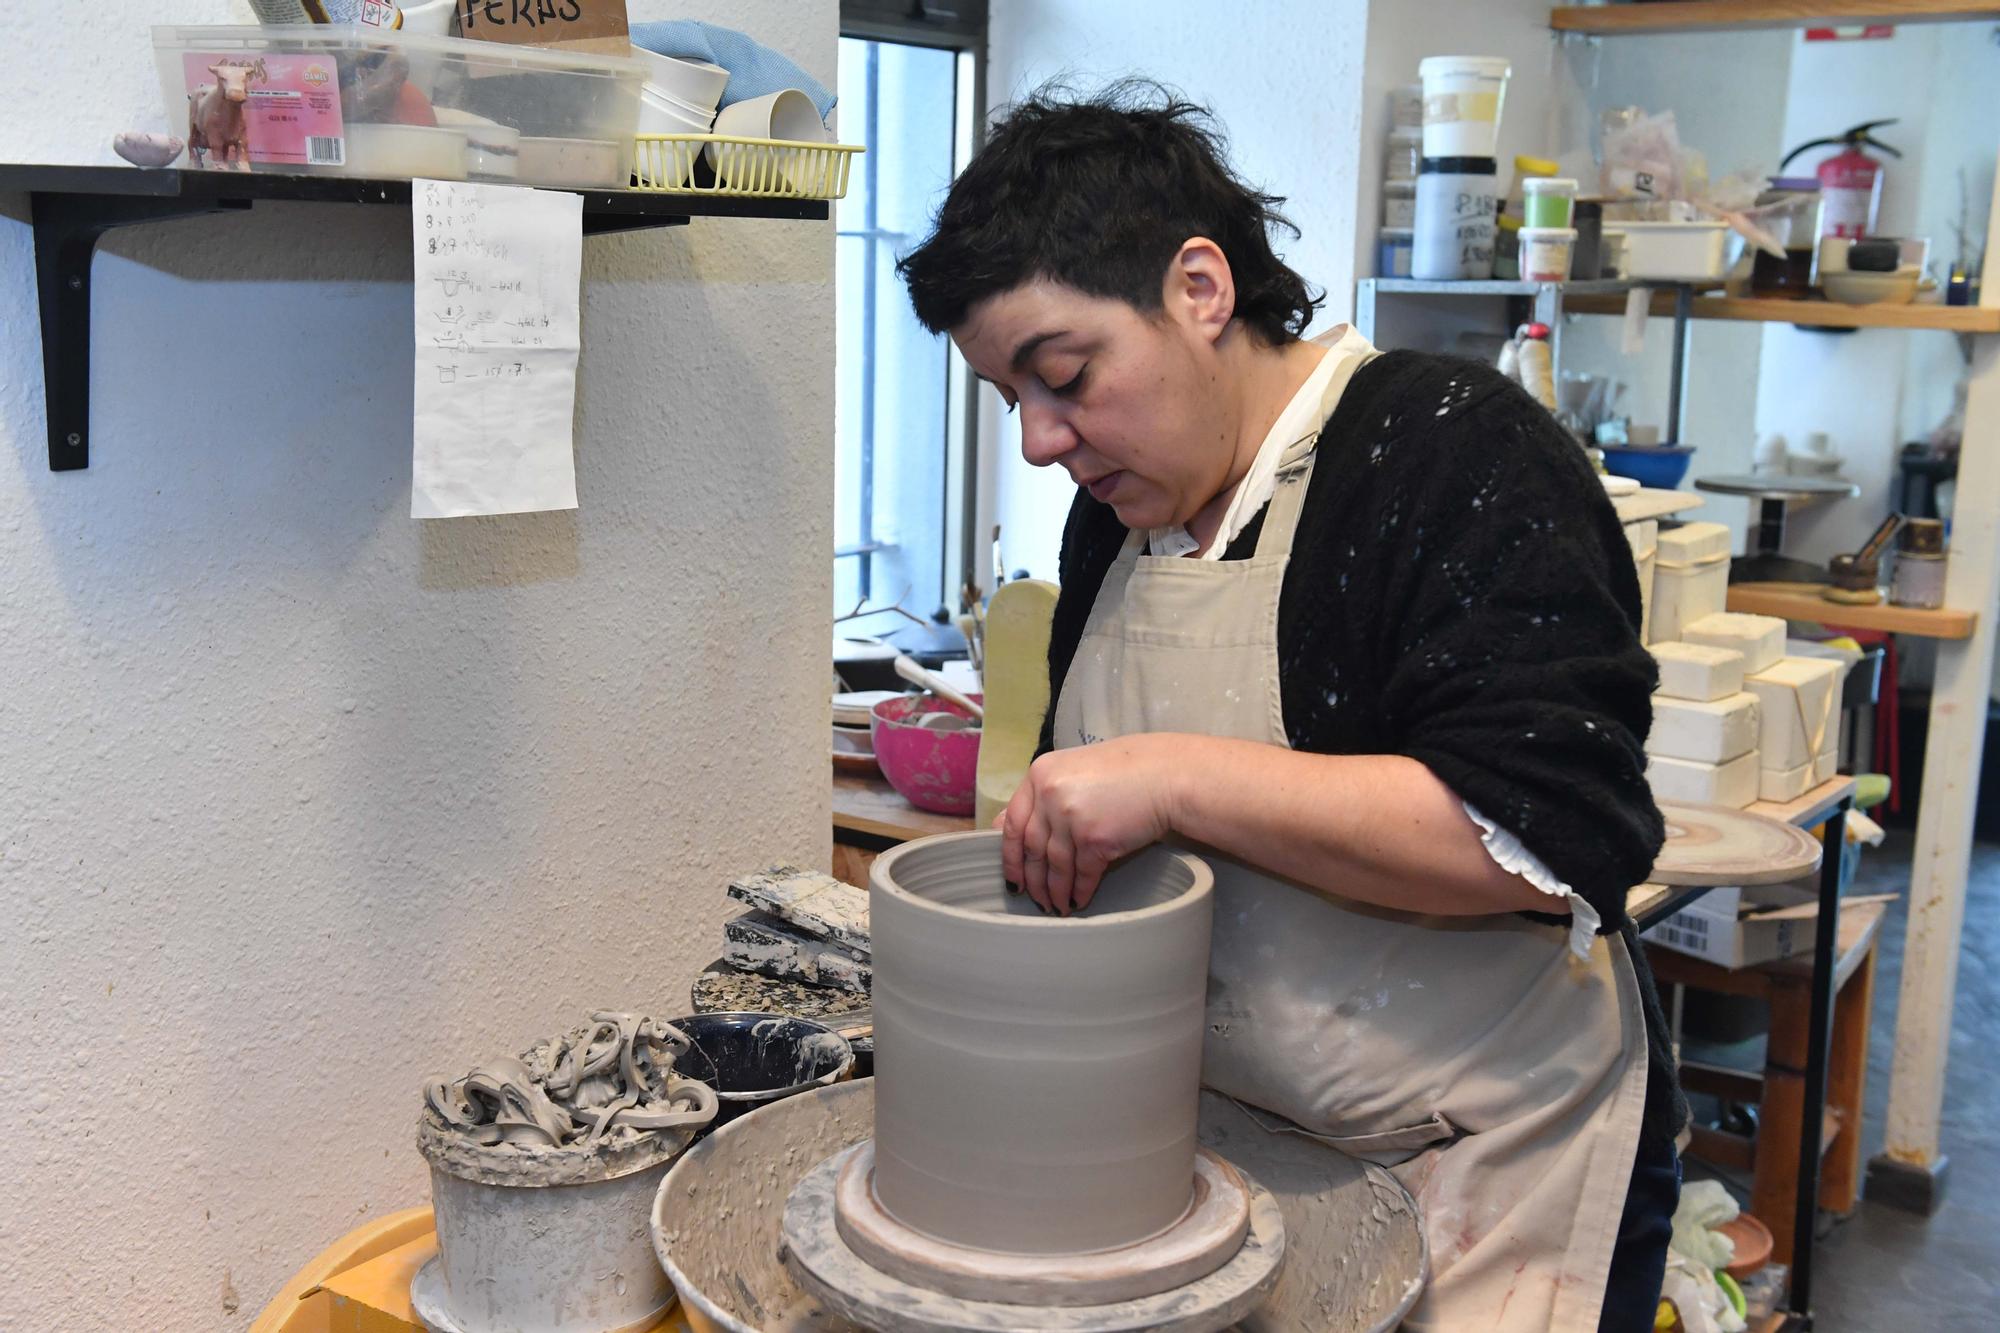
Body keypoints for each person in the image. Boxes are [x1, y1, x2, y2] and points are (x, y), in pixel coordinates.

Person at [897, 85, 1682, 1332]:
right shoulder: (1120, 512)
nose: (1042, 440)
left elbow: (1555, 840)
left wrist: (1168, 777)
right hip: (1219, 1138)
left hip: (1470, 1156)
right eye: (1012, 401)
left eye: (1064, 375)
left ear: (1200, 289)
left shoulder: (1448, 451)